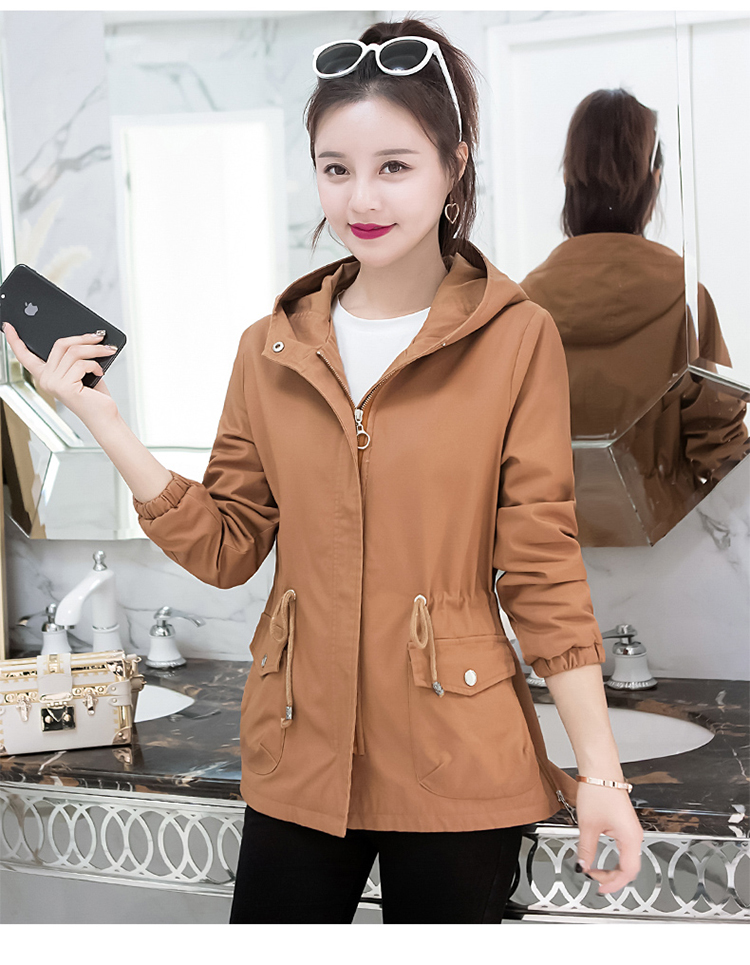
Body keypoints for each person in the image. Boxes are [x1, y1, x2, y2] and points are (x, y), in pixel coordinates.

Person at [1, 18, 643, 924]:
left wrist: (601, 772)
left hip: (459, 754)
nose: (360, 197)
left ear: (455, 165)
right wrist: (104, 421)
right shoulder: (270, 347)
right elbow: (227, 547)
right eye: (335, 167)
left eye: (394, 165)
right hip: (298, 750)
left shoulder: (517, 337)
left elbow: (540, 566)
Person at [519, 89, 748, 544]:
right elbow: (724, 456)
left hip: (554, 556)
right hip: (667, 551)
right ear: (654, 180)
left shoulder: (524, 306)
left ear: (569, 181)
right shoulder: (686, 299)